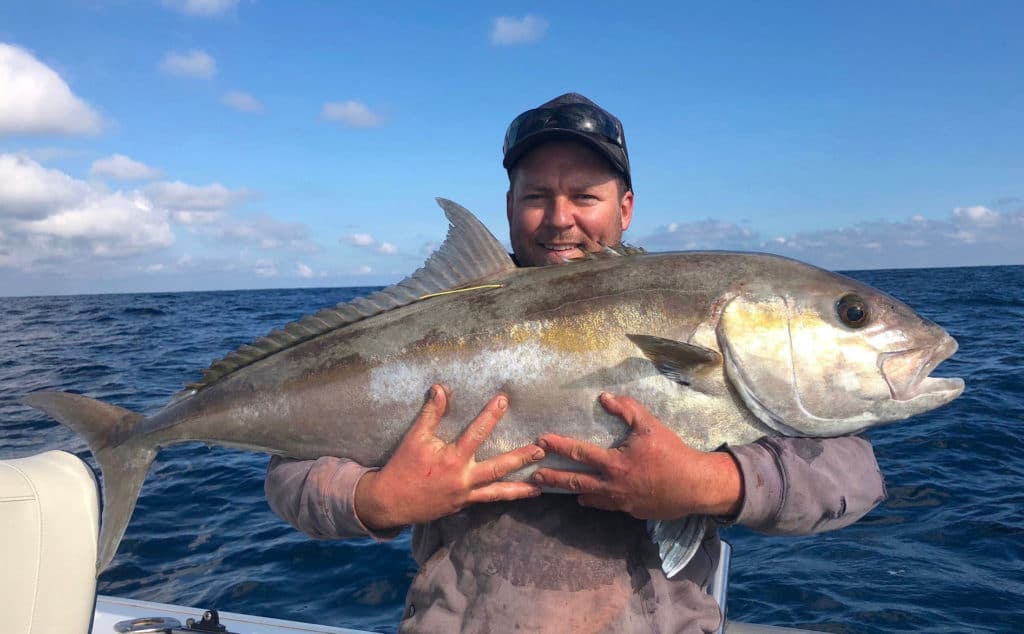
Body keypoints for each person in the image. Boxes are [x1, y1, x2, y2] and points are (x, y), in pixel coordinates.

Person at [265, 93, 887, 633]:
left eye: (584, 196)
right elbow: (289, 477)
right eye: (537, 196)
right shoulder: (434, 317)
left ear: (626, 207)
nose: (560, 218)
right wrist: (375, 500)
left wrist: (708, 483)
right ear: (509, 207)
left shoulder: (700, 315)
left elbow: (853, 477)